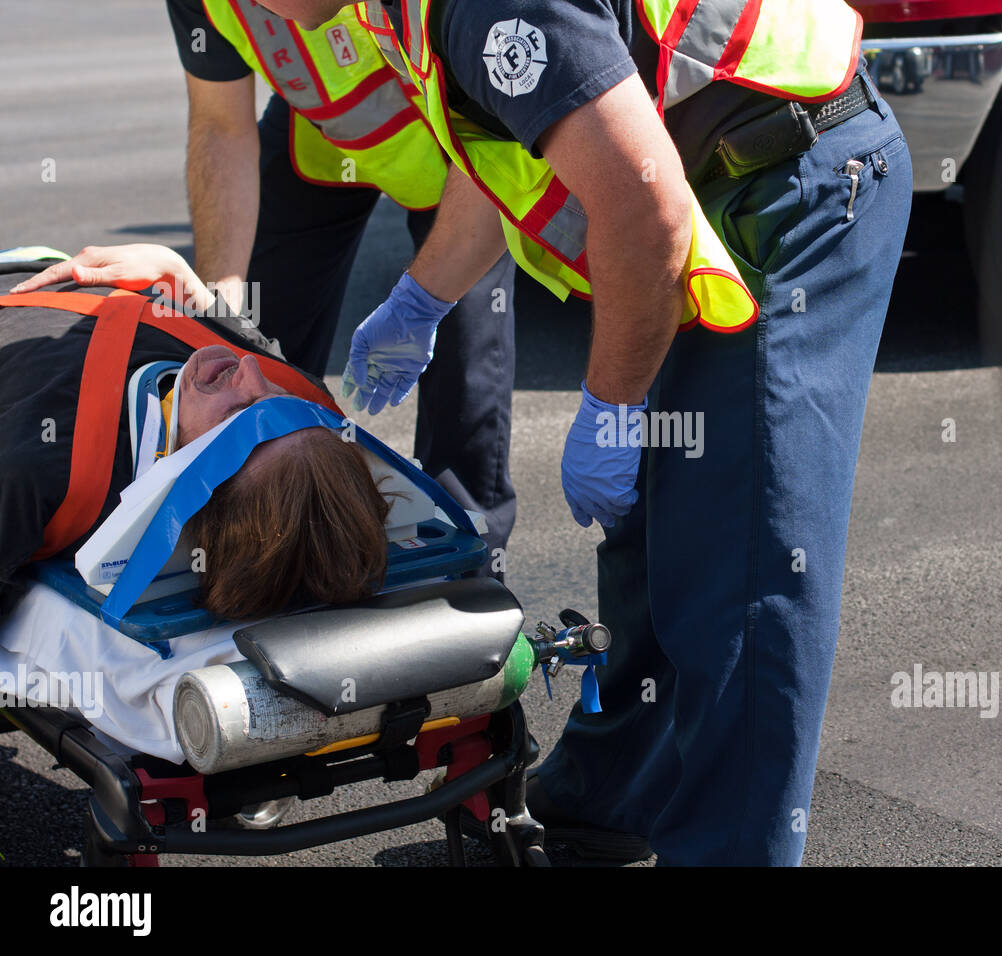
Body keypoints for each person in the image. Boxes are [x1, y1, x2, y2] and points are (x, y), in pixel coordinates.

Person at [264, 0, 913, 865]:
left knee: (741, 566)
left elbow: (645, 214)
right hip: (718, 184)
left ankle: (729, 854)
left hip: (797, 187)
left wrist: (611, 407)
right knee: (651, 537)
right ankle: (612, 802)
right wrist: (421, 298)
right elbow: (516, 156)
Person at [164, 0, 518, 570]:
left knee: (463, 370)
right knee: (253, 343)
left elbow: (506, 138)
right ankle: (258, 549)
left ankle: (468, 569)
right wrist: (220, 304)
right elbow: (220, 126)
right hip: (325, 131)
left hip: (463, 154)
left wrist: (423, 300)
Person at [0, 245, 394, 621]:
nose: (250, 371)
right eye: (282, 401)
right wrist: (178, 273)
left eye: (241, 415)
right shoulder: (305, 395)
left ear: (192, 496)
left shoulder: (43, 475)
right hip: (46, 263)